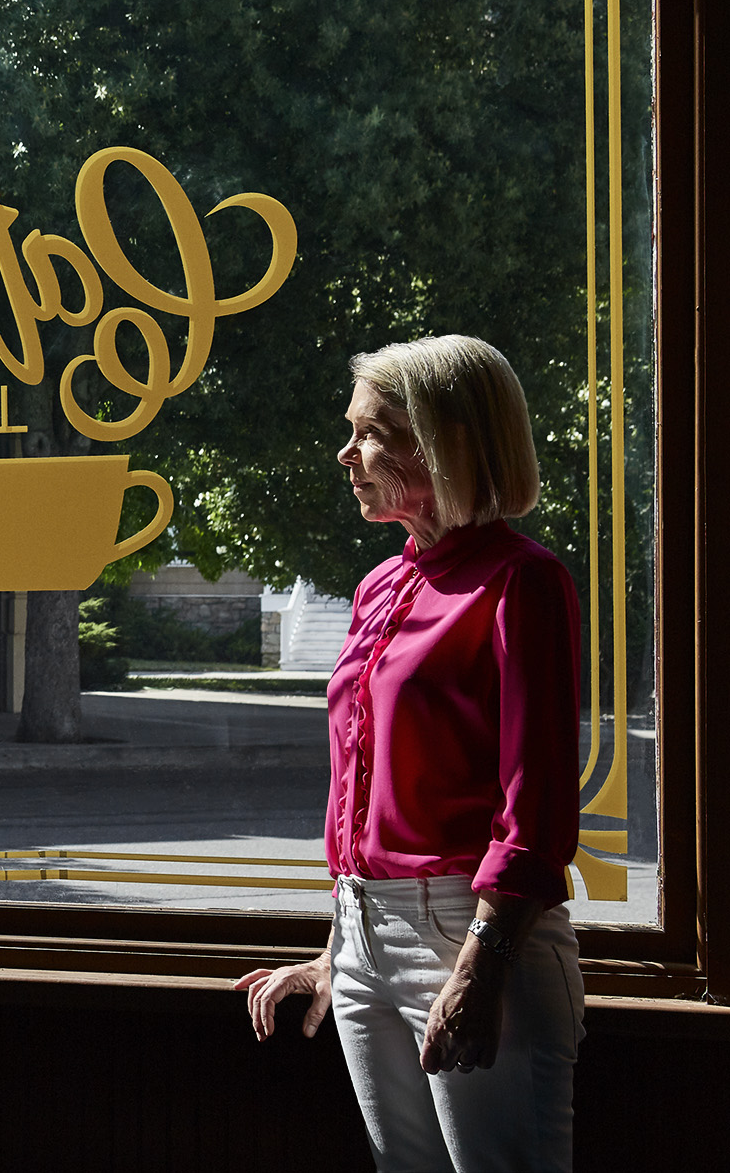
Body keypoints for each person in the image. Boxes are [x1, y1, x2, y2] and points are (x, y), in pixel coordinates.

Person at [235, 335, 585, 1172]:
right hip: (363, 928)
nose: (344, 453)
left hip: (472, 931)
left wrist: (482, 966)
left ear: (443, 439)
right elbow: (365, 787)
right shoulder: (378, 585)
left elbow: (535, 810)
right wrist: (337, 949)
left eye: (369, 432)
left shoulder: (520, 581)